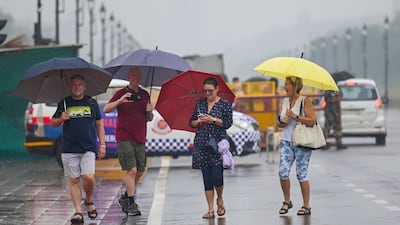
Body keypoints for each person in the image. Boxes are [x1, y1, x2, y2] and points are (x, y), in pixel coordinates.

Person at [51, 74, 106, 224]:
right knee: (74, 180)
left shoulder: (91, 102)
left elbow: (99, 124)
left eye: (79, 84)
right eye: (74, 84)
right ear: (70, 87)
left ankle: (88, 200)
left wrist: (102, 144)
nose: (77, 87)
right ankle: (78, 212)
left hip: (88, 147)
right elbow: (53, 123)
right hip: (69, 148)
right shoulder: (64, 103)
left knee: (89, 177)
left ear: (84, 86)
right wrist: (61, 118)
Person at [103, 67, 154, 216]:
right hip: (124, 136)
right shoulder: (121, 93)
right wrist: (120, 101)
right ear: (128, 77)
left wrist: (150, 110)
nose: (135, 78)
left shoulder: (145, 94)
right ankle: (131, 202)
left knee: (139, 171)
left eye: (138, 75)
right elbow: (106, 109)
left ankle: (125, 197)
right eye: (133, 75)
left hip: (140, 136)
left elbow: (149, 118)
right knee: (131, 170)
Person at [189, 77, 233, 219]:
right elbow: (191, 122)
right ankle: (210, 209)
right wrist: (198, 121)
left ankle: (219, 199)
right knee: (206, 177)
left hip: (217, 144)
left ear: (217, 89)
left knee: (217, 176)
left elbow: (227, 123)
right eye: (205, 91)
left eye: (210, 91)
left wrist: (212, 120)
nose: (207, 93)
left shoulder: (224, 104)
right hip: (202, 143)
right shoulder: (200, 103)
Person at [276, 76, 314, 216]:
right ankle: (287, 201)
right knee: (283, 172)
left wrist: (295, 116)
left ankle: (306, 205)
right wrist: (282, 120)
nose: (284, 86)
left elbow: (312, 121)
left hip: (302, 142)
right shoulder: (285, 101)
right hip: (286, 140)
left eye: (286, 84)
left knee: (301, 174)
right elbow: (280, 125)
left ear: (295, 85)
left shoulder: (305, 101)